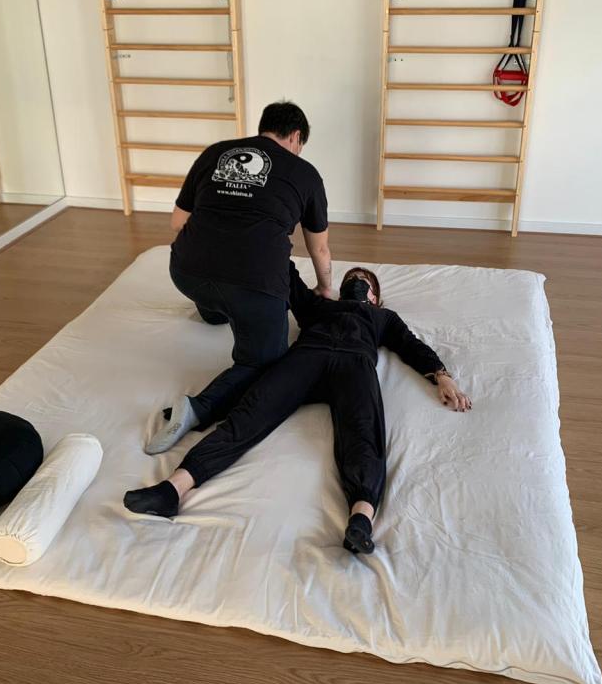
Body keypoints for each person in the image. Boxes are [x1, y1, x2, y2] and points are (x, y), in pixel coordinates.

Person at [125, 264, 472, 555]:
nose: (356, 280)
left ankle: (360, 520)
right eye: (351, 277)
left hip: (354, 364)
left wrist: (442, 376)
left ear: (375, 297)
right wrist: (278, 238)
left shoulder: (383, 317)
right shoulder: (318, 306)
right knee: (249, 414)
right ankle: (172, 490)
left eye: (364, 279)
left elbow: (411, 346)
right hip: (306, 358)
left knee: (363, 430)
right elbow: (286, 275)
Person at [145, 101, 333, 455]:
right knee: (266, 359)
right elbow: (319, 249)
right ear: (296, 137)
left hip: (186, 272)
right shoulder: (305, 173)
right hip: (254, 285)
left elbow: (177, 222)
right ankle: (197, 408)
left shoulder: (215, 153)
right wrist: (324, 288)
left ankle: (215, 310)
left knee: (216, 295)